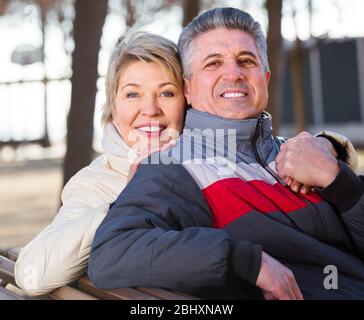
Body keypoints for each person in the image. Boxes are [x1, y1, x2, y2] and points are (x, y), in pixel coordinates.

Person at [14, 30, 355, 297]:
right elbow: (32, 273)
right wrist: (127, 200)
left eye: (166, 93)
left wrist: (330, 146)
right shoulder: (98, 182)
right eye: (132, 94)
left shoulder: (210, 162)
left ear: (188, 99)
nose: (149, 109)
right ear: (112, 108)